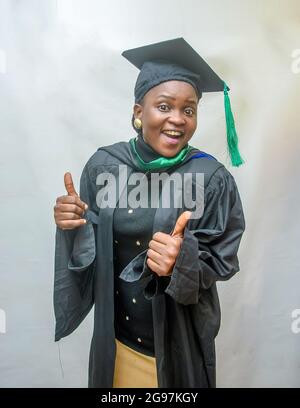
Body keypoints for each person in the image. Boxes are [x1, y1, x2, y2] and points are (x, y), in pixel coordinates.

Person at [53, 38, 245, 388]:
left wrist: (181, 260)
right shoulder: (104, 166)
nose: (177, 119)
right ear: (139, 112)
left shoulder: (210, 178)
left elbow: (223, 259)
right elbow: (92, 245)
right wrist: (74, 224)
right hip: (116, 345)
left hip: (177, 347)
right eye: (164, 106)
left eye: (189, 110)